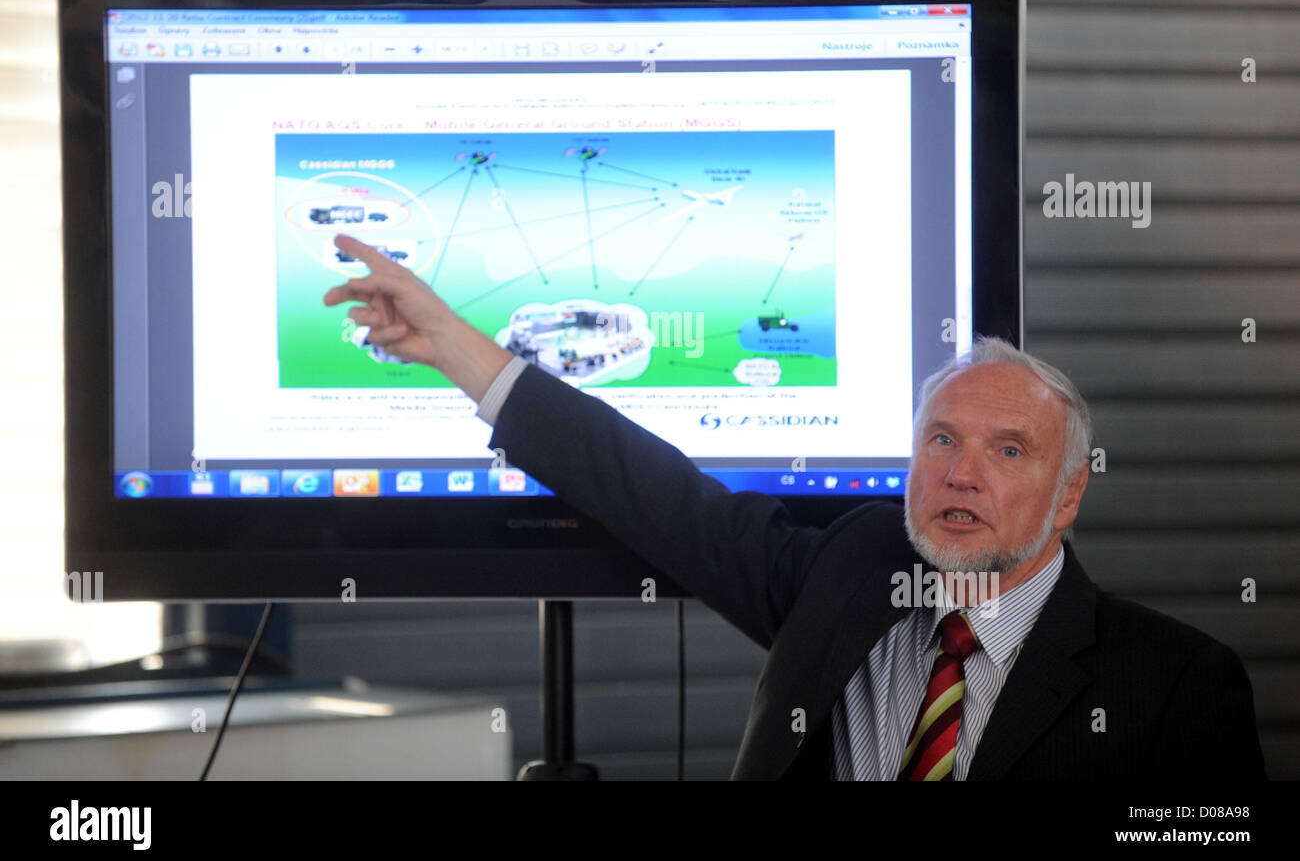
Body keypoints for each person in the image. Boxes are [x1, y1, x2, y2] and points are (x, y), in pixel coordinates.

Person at [323, 234, 1267, 780]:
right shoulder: (851, 570)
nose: (961, 474)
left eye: (1007, 451)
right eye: (941, 440)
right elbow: (654, 493)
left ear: (1069, 494)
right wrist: (453, 345)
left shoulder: (1176, 686)